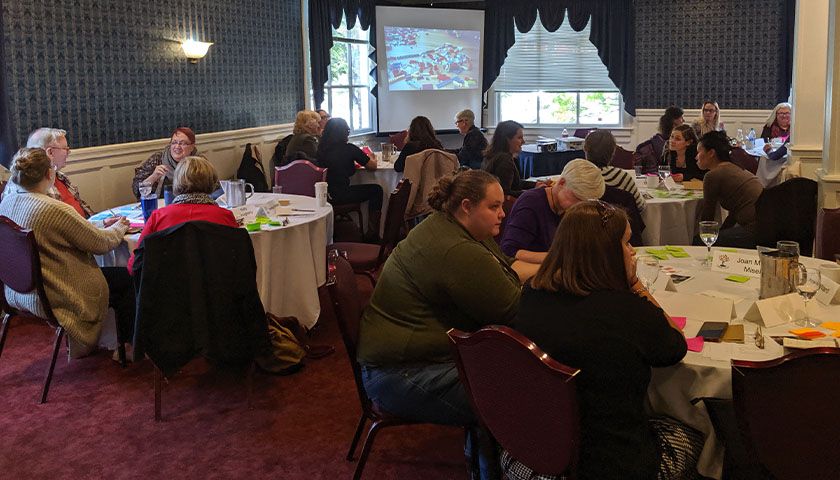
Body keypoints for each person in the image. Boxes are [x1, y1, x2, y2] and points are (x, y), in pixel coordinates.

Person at [356, 170, 539, 479]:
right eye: (494, 207)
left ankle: (482, 458)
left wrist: (562, 271)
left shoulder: (457, 230)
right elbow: (515, 312)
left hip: (404, 359)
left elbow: (507, 272)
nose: (503, 213)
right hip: (395, 375)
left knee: (506, 372)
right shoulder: (456, 249)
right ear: (466, 206)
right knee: (512, 393)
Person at [510, 200, 697, 480]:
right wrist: (636, 284)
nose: (632, 251)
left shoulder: (530, 297)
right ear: (606, 252)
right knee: (699, 431)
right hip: (614, 464)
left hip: (535, 458)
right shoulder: (626, 310)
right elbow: (675, 346)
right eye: (626, 243)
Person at [0, 148, 134, 359]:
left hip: (18, 293)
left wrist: (100, 223)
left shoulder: (6, 203)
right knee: (128, 278)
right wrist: (119, 228)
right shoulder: (52, 208)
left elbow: (65, 229)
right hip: (59, 294)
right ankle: (126, 347)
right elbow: (100, 243)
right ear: (49, 174)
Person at [127, 156, 238, 273]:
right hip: (217, 286)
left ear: (177, 181)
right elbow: (238, 258)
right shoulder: (224, 215)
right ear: (212, 183)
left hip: (165, 288)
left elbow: (134, 266)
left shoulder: (159, 216)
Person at [500, 159, 604, 263]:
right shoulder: (531, 203)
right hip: (532, 270)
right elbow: (509, 251)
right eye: (577, 197)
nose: (579, 206)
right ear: (562, 183)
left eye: (584, 202)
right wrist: (561, 258)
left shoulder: (568, 208)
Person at [2, 128, 102, 221]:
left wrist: (100, 220)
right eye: (65, 149)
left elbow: (82, 207)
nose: (69, 152)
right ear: (50, 152)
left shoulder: (60, 176)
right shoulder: (37, 183)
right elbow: (64, 225)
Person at [695, 131, 764, 248]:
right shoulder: (735, 168)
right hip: (766, 224)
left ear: (711, 153)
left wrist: (706, 237)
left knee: (697, 241)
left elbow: (707, 218)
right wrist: (721, 232)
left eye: (698, 152)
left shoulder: (713, 175)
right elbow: (734, 213)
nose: (696, 157)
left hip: (755, 229)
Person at [317, 118, 382, 239]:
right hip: (342, 194)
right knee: (377, 190)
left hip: (325, 195)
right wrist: (372, 157)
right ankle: (373, 231)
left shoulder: (320, 150)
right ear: (344, 132)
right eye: (347, 130)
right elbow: (372, 166)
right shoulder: (349, 149)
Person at [584, 130, 645, 213]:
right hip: (619, 224)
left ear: (586, 150)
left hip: (583, 224)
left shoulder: (577, 175)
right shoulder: (623, 178)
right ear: (613, 152)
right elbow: (640, 206)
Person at [132, 127, 199, 200]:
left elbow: (209, 189)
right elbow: (138, 189)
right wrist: (154, 176)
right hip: (160, 206)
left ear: (192, 147)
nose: (177, 147)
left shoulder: (199, 163)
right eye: (174, 143)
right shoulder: (158, 159)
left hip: (190, 205)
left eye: (182, 143)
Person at [482, 120, 535, 197]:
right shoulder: (504, 160)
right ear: (507, 139)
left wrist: (536, 185)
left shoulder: (493, 154)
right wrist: (533, 193)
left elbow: (515, 183)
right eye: (519, 138)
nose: (523, 141)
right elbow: (504, 194)